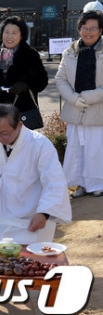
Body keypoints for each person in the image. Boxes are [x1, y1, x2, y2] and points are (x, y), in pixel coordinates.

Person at [0, 104, 72, 244]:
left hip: (26, 218)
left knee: (22, 260)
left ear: (19, 125)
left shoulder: (40, 145)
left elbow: (54, 182)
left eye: (4, 133)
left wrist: (44, 213)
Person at [56, 10, 103, 198]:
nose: (88, 32)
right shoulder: (70, 51)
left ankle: (97, 183)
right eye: (84, 28)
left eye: (93, 28)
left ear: (101, 30)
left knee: (95, 148)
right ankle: (81, 184)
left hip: (97, 109)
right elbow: (60, 79)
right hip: (75, 109)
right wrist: (74, 98)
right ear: (79, 29)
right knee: (77, 148)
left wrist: (92, 96)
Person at [0, 16, 48, 129]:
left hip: (22, 111)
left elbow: (42, 81)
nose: (9, 36)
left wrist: (25, 85)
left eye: (14, 33)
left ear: (21, 35)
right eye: (7, 32)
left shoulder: (30, 55)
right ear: (2, 33)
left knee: (20, 145)